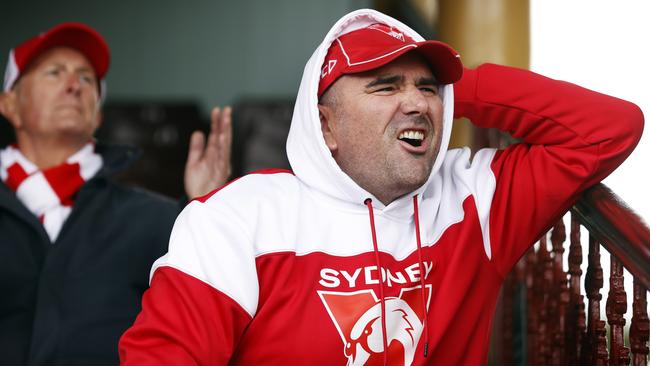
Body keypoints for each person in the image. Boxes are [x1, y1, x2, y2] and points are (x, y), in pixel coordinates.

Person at [119, 9, 644, 365]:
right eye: (385, 85)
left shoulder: (474, 197)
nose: (416, 103)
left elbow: (610, 128)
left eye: (427, 87)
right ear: (325, 125)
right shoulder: (236, 218)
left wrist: (464, 86)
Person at [0, 23, 231, 365]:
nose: (73, 85)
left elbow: (204, 316)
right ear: (10, 104)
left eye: (87, 78)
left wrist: (206, 210)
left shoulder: (156, 218)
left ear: (98, 115)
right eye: (53, 72)